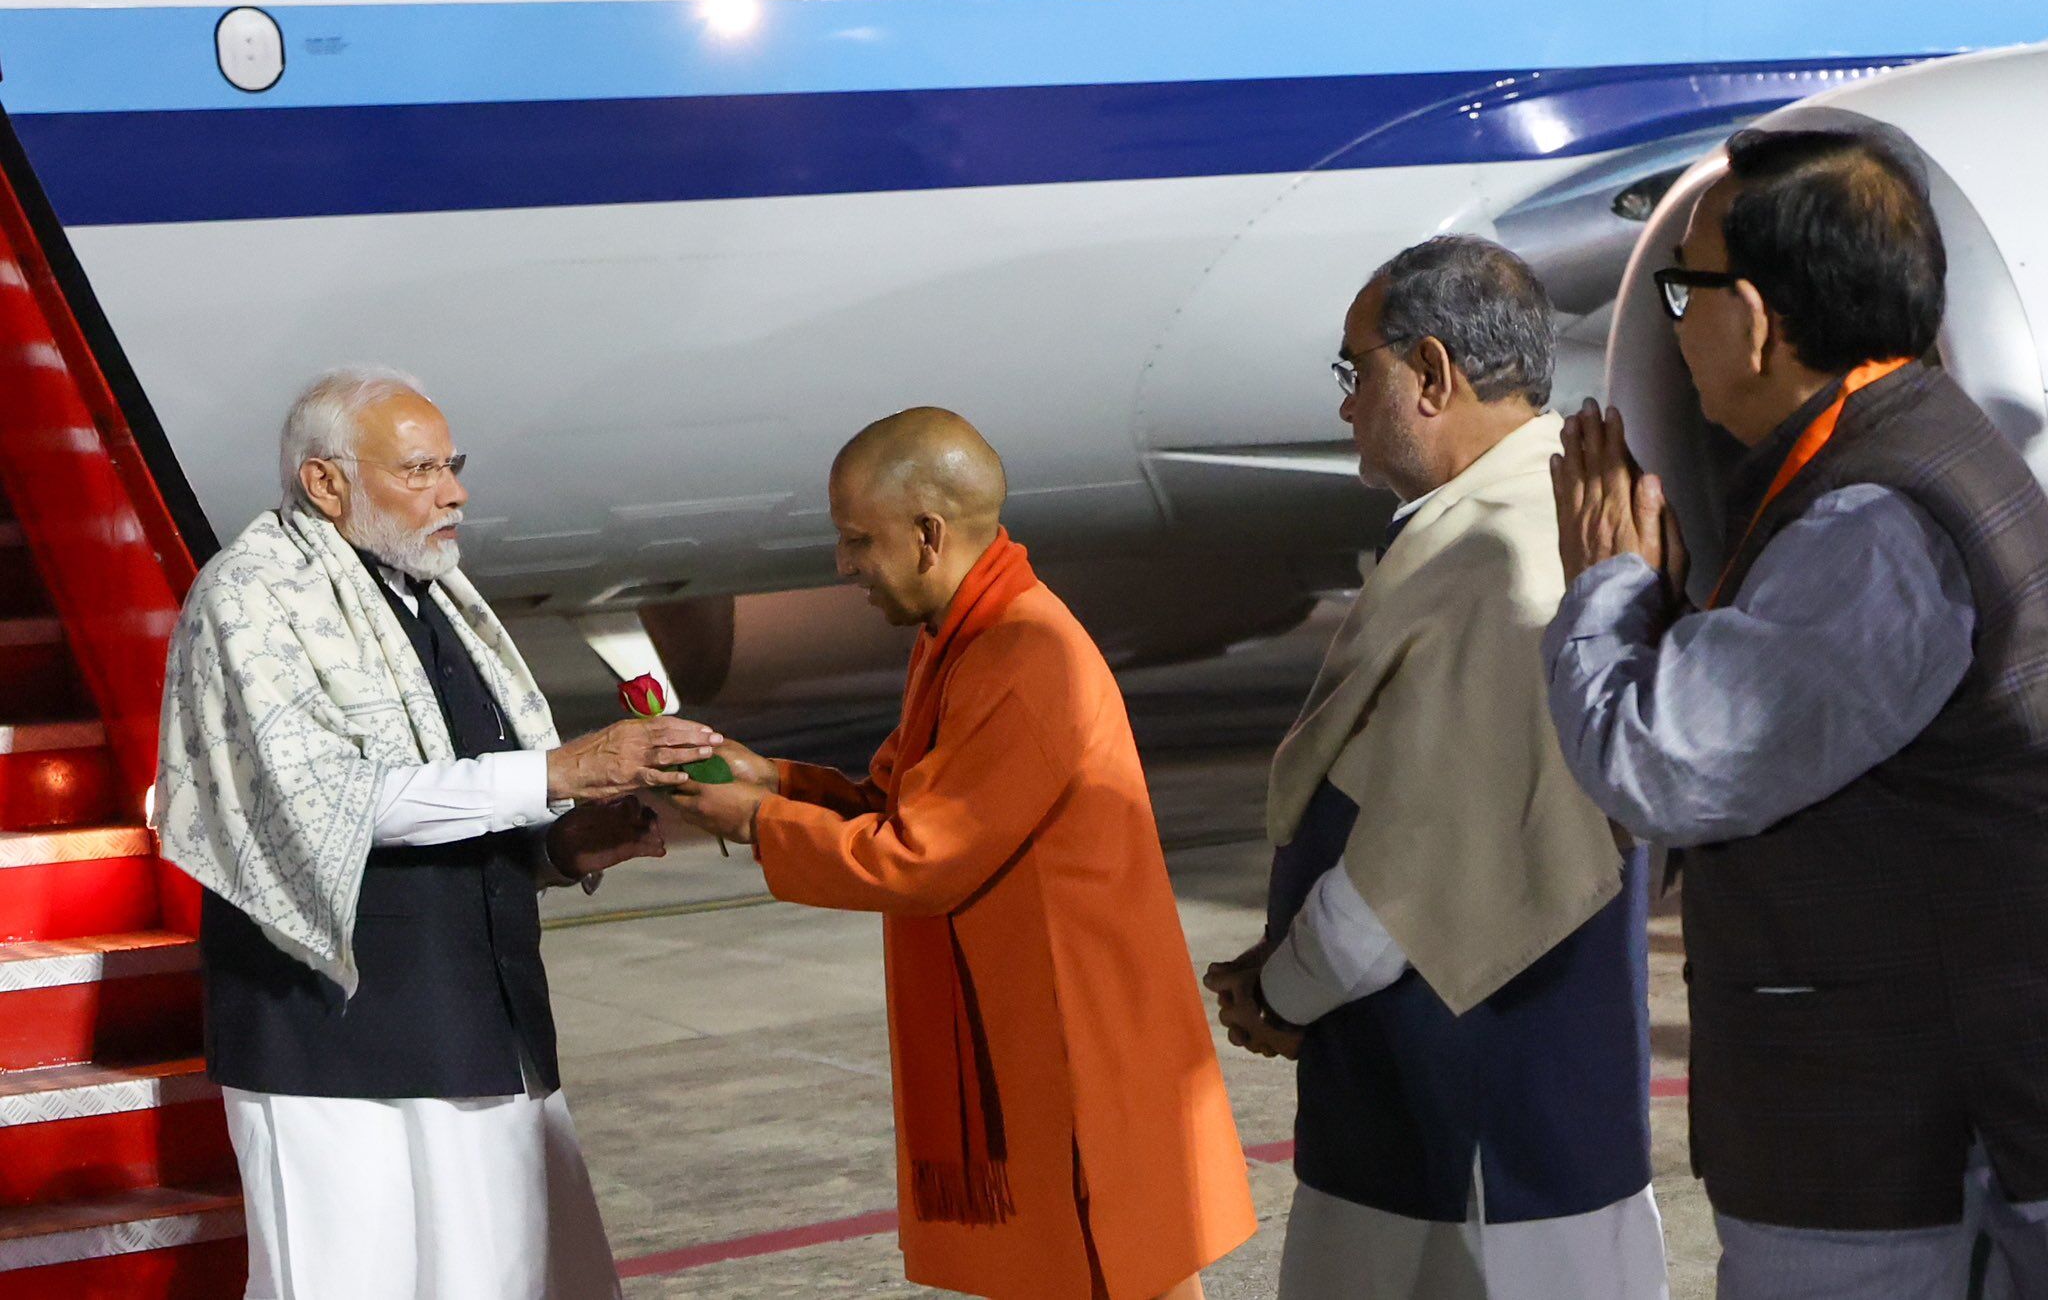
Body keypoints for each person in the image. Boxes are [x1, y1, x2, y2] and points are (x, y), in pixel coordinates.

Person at [1545, 128, 2048, 1296]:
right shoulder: (1915, 440)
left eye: (1683, 289)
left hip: (1893, 1149)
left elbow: (1657, 762)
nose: (1673, 326)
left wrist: (1606, 583)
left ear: (1758, 319)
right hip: (1910, 1119)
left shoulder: (1867, 523)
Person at [154, 367, 725, 1299]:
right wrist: (558, 773)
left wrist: (558, 847)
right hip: (334, 1048)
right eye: (420, 470)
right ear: (325, 482)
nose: (453, 493)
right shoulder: (251, 599)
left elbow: (454, 798)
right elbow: (331, 802)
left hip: (479, 1025)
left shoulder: (432, 597)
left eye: (452, 466)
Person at [668, 407, 1257, 1300]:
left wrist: (758, 823)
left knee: (1113, 1270)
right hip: (1041, 1029)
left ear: (928, 535)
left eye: (857, 540)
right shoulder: (967, 634)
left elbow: (921, 855)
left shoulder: (1023, 653)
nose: (844, 565)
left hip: (1075, 1046)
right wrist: (774, 781)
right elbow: (906, 802)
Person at [1205, 236, 1667, 1299]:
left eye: (1352, 369)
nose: (1344, 405)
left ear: (1429, 372)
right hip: (1478, 1100)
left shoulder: (1500, 556)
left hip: (1468, 1130)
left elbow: (1403, 888)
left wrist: (1280, 990)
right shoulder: (1527, 514)